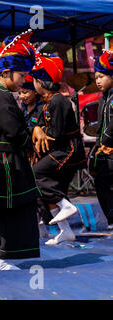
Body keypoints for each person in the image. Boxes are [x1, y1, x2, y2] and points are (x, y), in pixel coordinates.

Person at [0, 30, 46, 270]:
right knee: (13, 208)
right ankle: (2, 258)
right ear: (6, 73)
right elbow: (14, 130)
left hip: (5, 161)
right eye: (22, 74)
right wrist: (29, 144)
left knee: (14, 209)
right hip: (2, 163)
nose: (24, 80)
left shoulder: (2, 95)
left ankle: (3, 257)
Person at [30, 53, 86, 245]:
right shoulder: (47, 102)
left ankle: (65, 205)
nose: (33, 85)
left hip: (68, 149)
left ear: (41, 82)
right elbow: (38, 126)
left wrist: (40, 130)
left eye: (35, 80)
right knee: (47, 188)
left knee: (36, 173)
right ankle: (66, 231)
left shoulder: (58, 101)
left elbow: (57, 132)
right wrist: (36, 129)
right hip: (59, 150)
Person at [93, 49, 113, 229]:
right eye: (96, 77)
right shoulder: (105, 97)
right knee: (101, 182)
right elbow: (102, 126)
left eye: (102, 76)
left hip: (110, 148)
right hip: (105, 150)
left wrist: (105, 142)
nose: (98, 80)